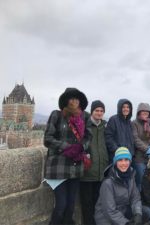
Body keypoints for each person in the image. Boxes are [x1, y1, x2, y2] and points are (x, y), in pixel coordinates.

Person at [44, 87, 92, 225]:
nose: (74, 101)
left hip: (75, 167)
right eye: (71, 98)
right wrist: (67, 147)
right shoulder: (57, 115)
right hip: (58, 167)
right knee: (61, 205)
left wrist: (81, 147)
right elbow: (47, 139)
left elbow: (89, 137)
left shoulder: (85, 116)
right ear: (66, 100)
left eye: (77, 99)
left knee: (71, 206)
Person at [94, 147, 150, 225]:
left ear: (130, 161)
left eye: (126, 160)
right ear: (115, 162)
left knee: (146, 212)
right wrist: (126, 223)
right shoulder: (108, 183)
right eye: (120, 160)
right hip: (105, 218)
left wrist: (137, 214)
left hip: (122, 211)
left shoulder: (130, 177)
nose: (124, 163)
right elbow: (109, 211)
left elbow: (135, 198)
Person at [80, 100, 108, 225]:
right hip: (87, 172)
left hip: (101, 171)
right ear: (92, 111)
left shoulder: (104, 127)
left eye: (101, 111)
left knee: (98, 202)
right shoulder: (85, 125)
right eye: (97, 110)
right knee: (87, 203)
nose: (99, 113)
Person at [132, 102, 150, 191]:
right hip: (139, 157)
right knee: (140, 179)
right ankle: (138, 199)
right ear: (139, 113)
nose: (145, 114)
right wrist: (147, 149)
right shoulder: (134, 123)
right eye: (143, 112)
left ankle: (147, 199)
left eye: (147, 112)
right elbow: (135, 138)